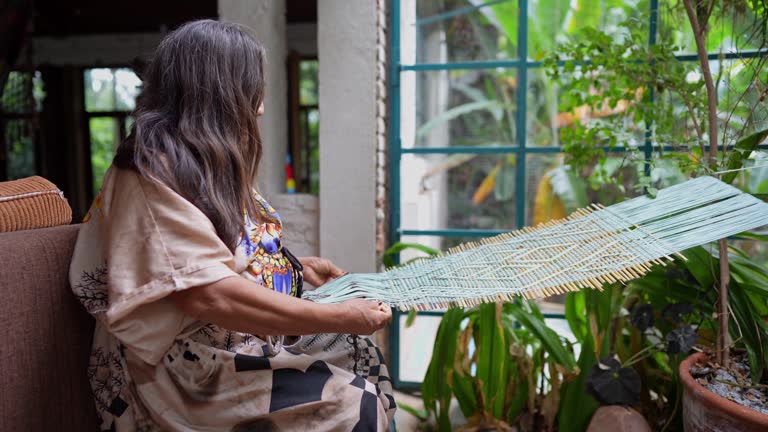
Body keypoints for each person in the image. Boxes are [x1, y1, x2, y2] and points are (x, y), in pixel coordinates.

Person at [69, 20, 395, 431]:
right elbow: (208, 295)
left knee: (358, 351)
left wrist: (295, 268)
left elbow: (219, 257)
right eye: (251, 87)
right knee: (351, 403)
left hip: (229, 343)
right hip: (182, 369)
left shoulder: (200, 163)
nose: (259, 107)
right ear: (219, 91)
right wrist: (340, 315)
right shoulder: (148, 172)